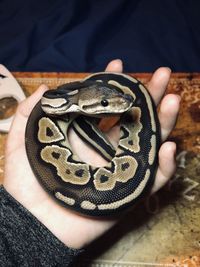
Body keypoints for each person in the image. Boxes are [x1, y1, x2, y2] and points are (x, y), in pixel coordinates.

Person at [0, 60, 181, 266]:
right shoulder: (60, 104)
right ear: (81, 106)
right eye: (105, 104)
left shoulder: (68, 102)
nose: (125, 102)